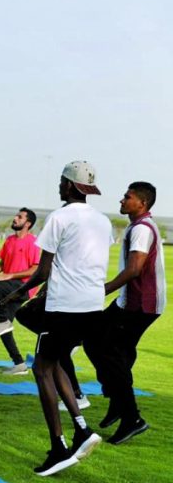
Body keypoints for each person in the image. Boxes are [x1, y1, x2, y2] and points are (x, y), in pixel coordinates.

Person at [7, 160, 112, 476]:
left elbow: (43, 270)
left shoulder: (60, 217)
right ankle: (81, 429)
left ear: (69, 185)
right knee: (54, 363)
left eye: (61, 181)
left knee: (41, 369)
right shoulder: (103, 221)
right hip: (92, 307)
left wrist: (17, 293)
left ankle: (59, 447)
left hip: (65, 306)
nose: (59, 186)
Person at [83, 181, 165, 444]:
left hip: (139, 304)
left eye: (127, 197)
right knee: (97, 340)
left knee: (110, 353)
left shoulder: (142, 229)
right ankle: (118, 402)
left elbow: (134, 269)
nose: (121, 200)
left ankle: (131, 418)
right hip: (129, 302)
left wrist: (102, 290)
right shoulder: (138, 225)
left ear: (142, 203)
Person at [0, 208, 41, 374]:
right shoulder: (10, 240)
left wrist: (10, 275)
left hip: (24, 287)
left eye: (20, 217)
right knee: (4, 328)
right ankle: (19, 364)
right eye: (16, 215)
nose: (15, 218)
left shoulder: (33, 242)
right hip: (10, 286)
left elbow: (35, 269)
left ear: (28, 223)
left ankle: (3, 320)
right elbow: (3, 265)